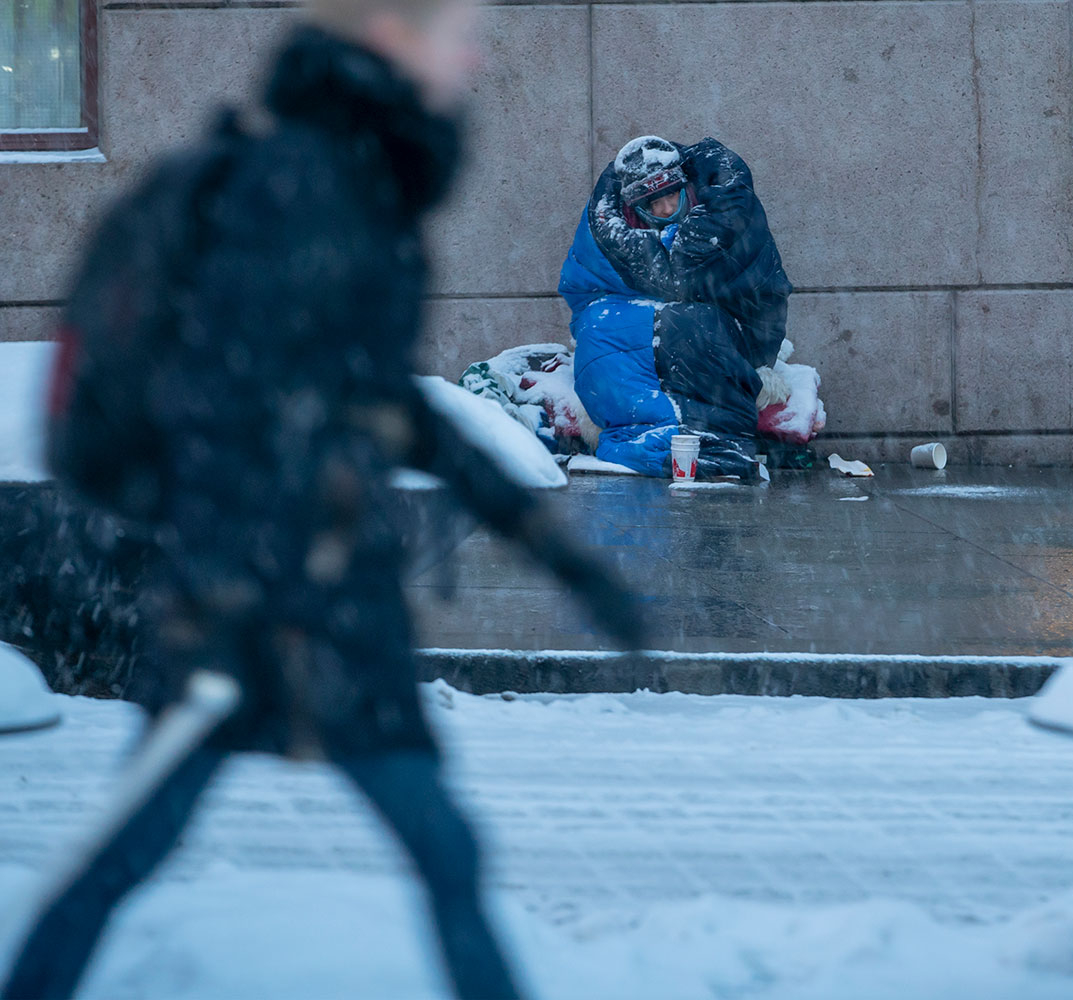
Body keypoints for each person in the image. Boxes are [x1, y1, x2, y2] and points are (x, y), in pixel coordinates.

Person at [1, 0, 643, 996]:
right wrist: (243, 577)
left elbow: (377, 400)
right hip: (252, 606)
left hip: (311, 604)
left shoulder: (359, 181)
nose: (475, 53)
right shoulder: (302, 184)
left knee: (434, 852)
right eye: (455, 32)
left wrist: (559, 555)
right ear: (389, 37)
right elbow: (237, 406)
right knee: (129, 859)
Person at [558, 135, 793, 478]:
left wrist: (758, 356)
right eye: (652, 204)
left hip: (717, 323)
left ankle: (709, 437)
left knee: (692, 326)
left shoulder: (728, 214)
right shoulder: (605, 226)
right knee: (601, 329)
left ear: (686, 185)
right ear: (631, 208)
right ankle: (656, 439)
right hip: (630, 316)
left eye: (672, 195)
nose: (666, 209)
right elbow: (586, 291)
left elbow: (763, 292)